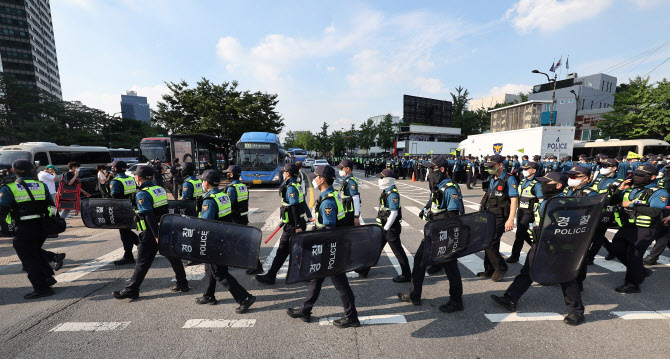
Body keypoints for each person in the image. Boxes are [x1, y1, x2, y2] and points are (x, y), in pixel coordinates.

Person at [491, 171, 586, 326]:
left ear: (558, 185)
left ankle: (576, 312)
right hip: (540, 244)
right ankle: (510, 299)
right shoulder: (548, 200)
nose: (542, 185)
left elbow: (567, 227)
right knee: (527, 272)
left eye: (546, 182)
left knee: (566, 277)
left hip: (556, 247)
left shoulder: (563, 203)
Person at [287, 165, 360, 328]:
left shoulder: (328, 202)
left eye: (316, 176)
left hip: (330, 249)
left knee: (341, 284)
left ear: (322, 179)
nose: (313, 178)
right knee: (316, 279)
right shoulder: (333, 194)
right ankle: (305, 310)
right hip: (332, 246)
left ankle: (352, 317)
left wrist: (318, 246)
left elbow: (329, 230)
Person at [112, 165, 189, 299]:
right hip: (165, 227)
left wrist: (155, 235)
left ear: (138, 177)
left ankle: (131, 289)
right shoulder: (159, 189)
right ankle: (183, 283)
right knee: (173, 256)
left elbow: (149, 216)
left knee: (142, 262)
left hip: (151, 232)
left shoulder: (142, 194)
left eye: (135, 175)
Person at [398, 156, 464, 313]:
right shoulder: (439, 186)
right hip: (433, 232)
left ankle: (456, 301)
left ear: (442, 170)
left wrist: (434, 219)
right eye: (428, 169)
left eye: (431, 169)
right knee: (419, 261)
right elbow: (433, 199)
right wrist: (426, 209)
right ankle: (414, 295)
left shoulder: (450, 189)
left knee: (451, 268)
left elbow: (453, 216)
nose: (429, 172)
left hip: (445, 235)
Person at [195, 170, 256, 313]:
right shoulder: (223, 195)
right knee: (209, 268)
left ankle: (244, 298)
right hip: (224, 237)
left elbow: (206, 224)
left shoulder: (209, 201)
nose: (202, 183)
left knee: (220, 273)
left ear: (206, 182)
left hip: (214, 240)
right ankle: (208, 295)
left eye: (202, 180)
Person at [0, 160, 58, 299]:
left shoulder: (8, 188)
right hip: (42, 227)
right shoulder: (41, 185)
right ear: (32, 170)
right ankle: (47, 279)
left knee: (29, 259)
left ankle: (41, 288)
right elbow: (51, 206)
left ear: (13, 171)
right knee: (35, 253)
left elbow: (2, 210)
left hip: (24, 227)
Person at [609, 164, 667, 293]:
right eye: (635, 174)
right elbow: (612, 202)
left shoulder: (659, 192)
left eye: (641, 175)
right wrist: (620, 189)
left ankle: (633, 284)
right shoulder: (631, 188)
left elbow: (655, 211)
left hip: (644, 228)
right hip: (627, 226)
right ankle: (641, 271)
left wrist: (632, 205)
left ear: (652, 177)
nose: (636, 177)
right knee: (617, 249)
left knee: (634, 256)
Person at [255, 163, 307, 284]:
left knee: (282, 250)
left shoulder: (291, 187)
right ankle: (306, 274)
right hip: (295, 223)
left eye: (284, 172)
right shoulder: (296, 185)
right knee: (297, 250)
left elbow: (294, 207)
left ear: (288, 173)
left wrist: (297, 226)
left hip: (293, 226)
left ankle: (271, 276)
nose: (283, 173)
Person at [478, 155, 516, 281]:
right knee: (491, 242)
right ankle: (489, 269)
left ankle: (501, 266)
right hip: (488, 214)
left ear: (500, 165)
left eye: (492, 166)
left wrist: (511, 219)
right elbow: (487, 193)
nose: (489, 169)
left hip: (500, 216)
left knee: (489, 242)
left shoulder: (509, 179)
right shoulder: (491, 177)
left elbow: (514, 199)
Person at [374, 168, 412, 282]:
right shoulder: (386, 191)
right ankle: (365, 268)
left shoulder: (392, 193)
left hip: (391, 228)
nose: (379, 180)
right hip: (386, 226)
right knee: (377, 247)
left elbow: (394, 212)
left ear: (388, 180)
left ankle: (406, 275)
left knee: (398, 251)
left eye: (381, 178)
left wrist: (386, 228)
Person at [584, 158, 623, 264]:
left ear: (614, 168)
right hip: (594, 208)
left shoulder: (619, 181)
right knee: (594, 233)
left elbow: (618, 198)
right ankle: (611, 250)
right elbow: (591, 189)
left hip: (607, 210)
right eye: (602, 166)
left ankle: (590, 257)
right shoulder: (599, 178)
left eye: (606, 166)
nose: (603, 168)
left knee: (597, 235)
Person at [507, 162, 543, 263]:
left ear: (533, 170)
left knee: (520, 233)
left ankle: (515, 256)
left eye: (527, 169)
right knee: (522, 232)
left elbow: (541, 199)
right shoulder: (523, 180)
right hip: (521, 210)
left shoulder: (537, 183)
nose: (524, 171)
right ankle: (536, 245)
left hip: (529, 212)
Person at [108, 160, 140, 266]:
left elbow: (115, 199)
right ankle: (139, 248)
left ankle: (130, 255)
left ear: (115, 169)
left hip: (121, 210)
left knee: (124, 234)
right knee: (127, 232)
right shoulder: (131, 179)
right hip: (131, 208)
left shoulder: (116, 181)